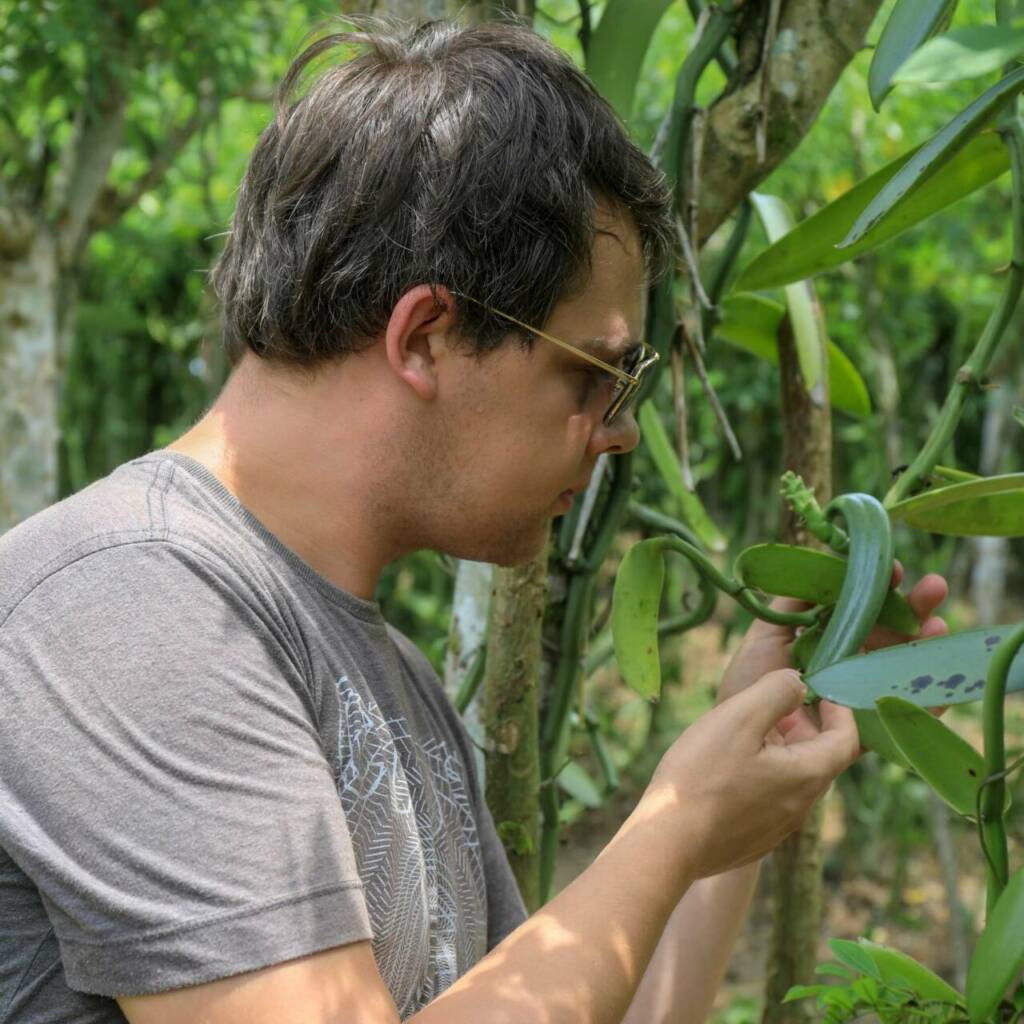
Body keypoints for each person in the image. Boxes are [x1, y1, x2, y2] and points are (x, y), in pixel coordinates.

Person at [0, 18, 948, 1024]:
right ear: (425, 336)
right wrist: (672, 824)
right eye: (597, 375)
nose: (618, 432)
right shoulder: (124, 607)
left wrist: (724, 817)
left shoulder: (395, 682)